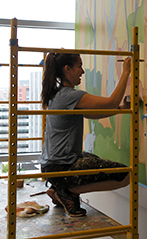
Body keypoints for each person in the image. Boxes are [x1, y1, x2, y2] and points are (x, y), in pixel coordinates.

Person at [39, 52, 131, 217]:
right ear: (67, 69)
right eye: (79, 66)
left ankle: (57, 189)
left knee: (94, 160)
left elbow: (93, 113)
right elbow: (110, 102)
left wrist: (120, 110)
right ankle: (66, 192)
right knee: (124, 175)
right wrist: (126, 72)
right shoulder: (69, 96)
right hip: (61, 166)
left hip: (53, 164)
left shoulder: (58, 94)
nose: (82, 71)